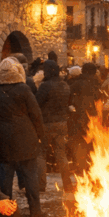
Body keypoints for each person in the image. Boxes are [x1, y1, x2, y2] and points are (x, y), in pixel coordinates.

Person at [0, 58, 46, 217]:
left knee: (5, 177)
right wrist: (41, 135)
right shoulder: (23, 88)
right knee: (30, 177)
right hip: (25, 137)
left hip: (4, 139)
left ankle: (7, 211)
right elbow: (35, 114)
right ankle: (35, 210)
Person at [35, 59, 75, 193]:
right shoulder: (64, 85)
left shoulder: (45, 86)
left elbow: (37, 103)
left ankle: (41, 185)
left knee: (41, 154)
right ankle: (67, 183)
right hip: (62, 123)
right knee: (61, 154)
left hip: (47, 123)